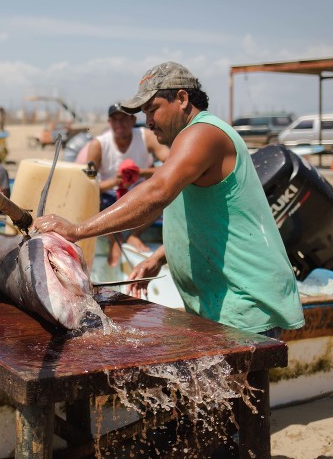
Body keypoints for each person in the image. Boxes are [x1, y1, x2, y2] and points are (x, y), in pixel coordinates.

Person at [34, 61, 304, 338]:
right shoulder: (187, 143)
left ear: (182, 99)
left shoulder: (203, 133)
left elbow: (157, 191)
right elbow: (209, 218)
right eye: (144, 113)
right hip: (220, 303)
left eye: (153, 110)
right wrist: (160, 257)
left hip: (245, 302)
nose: (149, 121)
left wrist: (78, 230)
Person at [87, 103, 170, 265]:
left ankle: (135, 235)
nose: (119, 124)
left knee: (165, 195)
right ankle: (114, 239)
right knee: (90, 200)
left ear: (133, 120)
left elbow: (173, 165)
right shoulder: (98, 144)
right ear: (109, 123)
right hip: (109, 195)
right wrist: (115, 182)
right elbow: (87, 185)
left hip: (140, 192)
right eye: (115, 120)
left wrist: (140, 173)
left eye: (124, 119)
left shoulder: (146, 137)